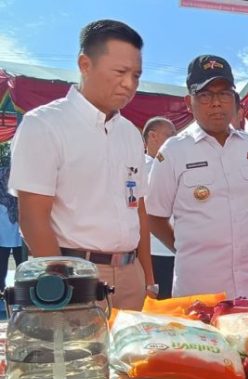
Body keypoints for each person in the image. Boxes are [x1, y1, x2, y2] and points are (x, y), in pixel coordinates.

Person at [9, 19, 154, 310]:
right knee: (82, 355)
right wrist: (62, 285)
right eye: (120, 72)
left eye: (136, 75)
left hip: (131, 274)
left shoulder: (130, 133)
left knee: (134, 356)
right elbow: (33, 217)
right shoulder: (45, 125)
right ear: (85, 64)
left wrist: (148, 279)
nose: (129, 84)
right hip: (76, 273)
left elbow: (137, 208)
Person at [147, 55, 248, 300]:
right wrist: (186, 247)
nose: (216, 103)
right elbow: (154, 216)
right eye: (205, 95)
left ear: (234, 100)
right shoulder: (173, 152)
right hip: (200, 291)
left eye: (224, 94)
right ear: (189, 102)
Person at [143, 117, 177, 299]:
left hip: (179, 250)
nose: (174, 139)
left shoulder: (176, 164)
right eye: (170, 135)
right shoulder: (137, 167)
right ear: (153, 136)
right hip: (152, 252)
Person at [0, 155, 23, 293]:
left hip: (20, 222)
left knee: (21, 259)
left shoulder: (23, 178)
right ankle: (1, 289)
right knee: (1, 260)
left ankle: (22, 288)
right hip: (3, 223)